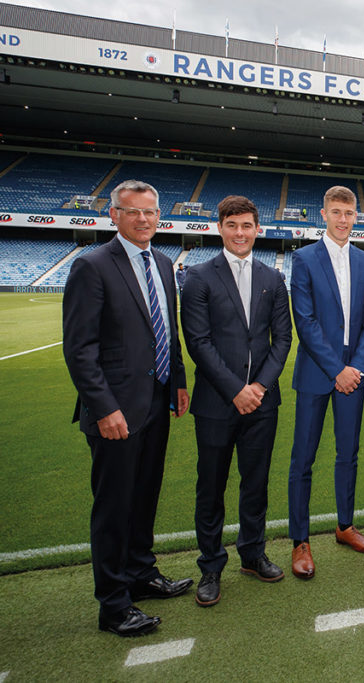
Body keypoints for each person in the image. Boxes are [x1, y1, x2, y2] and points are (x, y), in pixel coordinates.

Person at [63, 179, 192, 637]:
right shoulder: (92, 266)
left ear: (159, 215)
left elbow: (166, 331)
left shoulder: (160, 261)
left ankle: (141, 574)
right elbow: (80, 350)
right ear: (113, 215)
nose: (143, 219)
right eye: (132, 211)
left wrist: (177, 382)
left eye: (150, 212)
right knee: (114, 508)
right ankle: (113, 605)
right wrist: (103, 408)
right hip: (115, 410)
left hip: (156, 400)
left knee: (144, 496)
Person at [180, 195, 292, 606]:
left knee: (256, 482)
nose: (240, 233)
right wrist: (235, 390)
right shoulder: (198, 277)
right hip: (216, 402)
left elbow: (282, 339)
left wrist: (259, 387)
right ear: (220, 228)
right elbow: (198, 342)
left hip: (263, 401)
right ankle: (210, 565)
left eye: (247, 226)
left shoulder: (272, 278)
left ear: (257, 229)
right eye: (232, 226)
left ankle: (253, 552)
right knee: (211, 485)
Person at [288, 185, 364, 580]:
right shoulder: (304, 258)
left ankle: (345, 526)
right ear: (323, 214)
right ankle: (300, 541)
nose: (343, 219)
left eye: (349, 213)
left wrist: (355, 366)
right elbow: (304, 322)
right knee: (302, 459)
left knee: (349, 454)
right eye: (336, 212)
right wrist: (336, 369)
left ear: (356, 216)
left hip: (353, 375)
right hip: (317, 373)